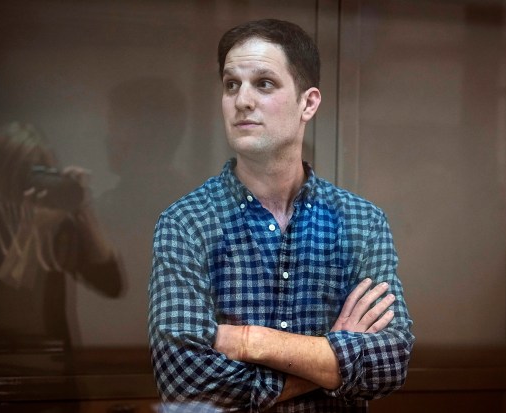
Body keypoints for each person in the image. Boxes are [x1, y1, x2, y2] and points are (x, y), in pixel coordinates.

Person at [148, 19, 414, 412]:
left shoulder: (361, 222)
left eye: (264, 83)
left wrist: (250, 342)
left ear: (308, 103)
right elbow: (184, 379)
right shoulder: (186, 224)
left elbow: (391, 360)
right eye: (231, 84)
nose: (242, 100)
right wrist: (328, 356)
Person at [0, 122, 123, 358]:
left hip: (57, 363)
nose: (34, 183)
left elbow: (111, 284)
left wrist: (83, 208)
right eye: (28, 172)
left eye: (44, 171)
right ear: (4, 172)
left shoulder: (57, 225)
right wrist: (30, 229)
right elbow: (3, 308)